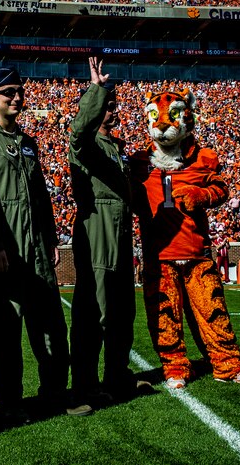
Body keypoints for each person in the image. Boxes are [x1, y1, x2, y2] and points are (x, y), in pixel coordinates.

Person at [0, 66, 90, 421]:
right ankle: (10, 404)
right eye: (8, 92)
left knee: (51, 326)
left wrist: (49, 238)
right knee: (4, 334)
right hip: (4, 251)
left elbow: (41, 197)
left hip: (36, 250)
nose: (17, 97)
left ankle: (53, 393)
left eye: (19, 91)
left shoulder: (28, 143)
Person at [130, 88, 240, 389]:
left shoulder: (204, 157)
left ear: (188, 114)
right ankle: (174, 367)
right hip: (159, 254)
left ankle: (227, 364)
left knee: (213, 311)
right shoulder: (138, 162)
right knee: (164, 316)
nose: (162, 124)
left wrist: (201, 195)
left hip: (196, 250)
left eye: (173, 114)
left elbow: (221, 190)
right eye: (155, 116)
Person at [67, 57, 144, 409]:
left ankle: (117, 375)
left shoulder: (115, 149)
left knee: (121, 310)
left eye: (114, 106)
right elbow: (78, 131)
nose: (114, 112)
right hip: (98, 231)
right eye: (108, 107)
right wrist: (96, 90)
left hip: (120, 233)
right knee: (92, 311)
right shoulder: (88, 144)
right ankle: (84, 384)